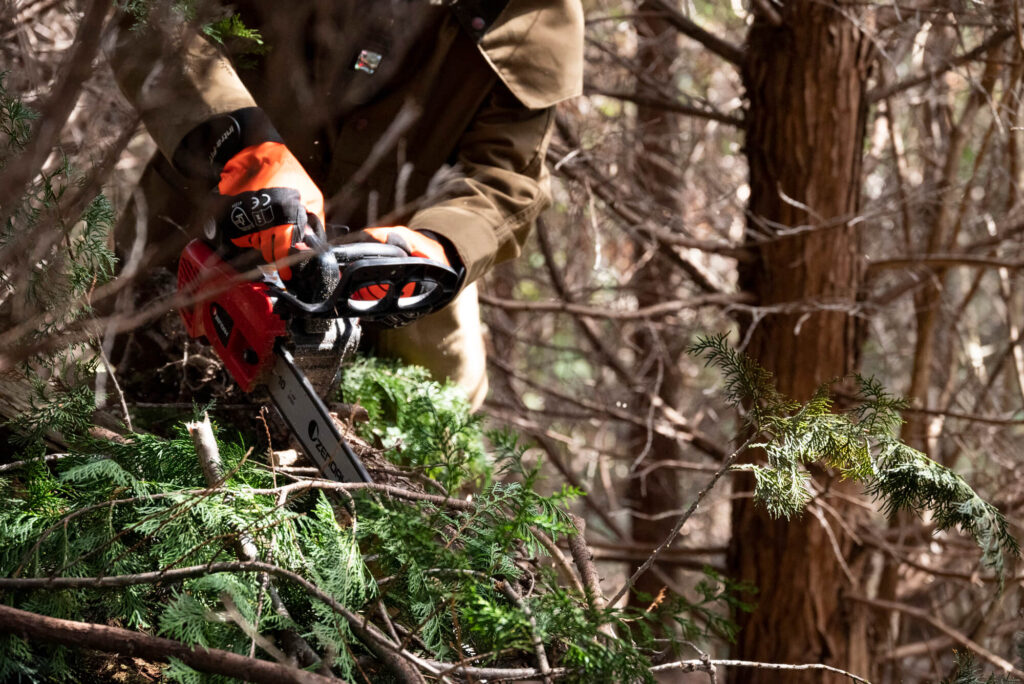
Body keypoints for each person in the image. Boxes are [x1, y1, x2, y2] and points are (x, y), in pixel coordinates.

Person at [106, 0, 584, 410]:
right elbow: (152, 18)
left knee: (417, 478)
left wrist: (438, 246)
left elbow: (505, 178)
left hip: (391, 308)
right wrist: (241, 145)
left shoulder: (531, 14)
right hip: (202, 239)